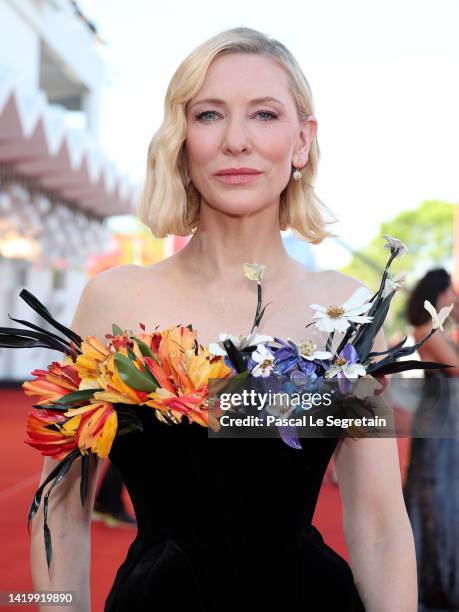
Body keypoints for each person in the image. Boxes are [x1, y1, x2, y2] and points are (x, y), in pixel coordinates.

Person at [29, 27, 417, 611]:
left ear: (302, 140)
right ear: (182, 138)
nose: (236, 141)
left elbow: (381, 524)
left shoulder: (349, 312)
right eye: (209, 114)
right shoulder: (113, 302)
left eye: (264, 114)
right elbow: (59, 507)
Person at [404, 268, 459, 610]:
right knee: (434, 493)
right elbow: (455, 368)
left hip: (445, 419)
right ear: (440, 293)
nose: (454, 297)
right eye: (451, 291)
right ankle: (431, 577)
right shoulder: (428, 329)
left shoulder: (437, 329)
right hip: (438, 421)